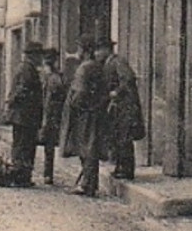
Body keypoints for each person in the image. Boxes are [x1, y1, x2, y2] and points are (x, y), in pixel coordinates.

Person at [60, 38, 110, 197]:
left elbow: (80, 92)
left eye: (80, 49)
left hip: (84, 114)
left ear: (86, 51)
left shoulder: (85, 68)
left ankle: (86, 184)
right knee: (91, 147)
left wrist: (74, 106)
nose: (78, 53)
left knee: (86, 148)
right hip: (96, 111)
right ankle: (90, 184)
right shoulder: (97, 66)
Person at [102, 43, 144, 182]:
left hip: (126, 106)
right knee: (118, 137)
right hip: (117, 107)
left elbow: (129, 78)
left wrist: (116, 92)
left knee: (125, 138)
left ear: (106, 49)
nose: (97, 54)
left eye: (99, 50)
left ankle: (127, 169)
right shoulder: (108, 63)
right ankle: (120, 167)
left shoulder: (118, 61)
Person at [5, 45, 44, 174]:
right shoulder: (27, 69)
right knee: (23, 145)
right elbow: (23, 90)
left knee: (24, 144)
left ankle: (22, 174)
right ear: (33, 56)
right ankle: (20, 175)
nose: (41, 59)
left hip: (24, 115)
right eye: (39, 56)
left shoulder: (26, 68)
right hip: (24, 115)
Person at [37, 48, 68, 185]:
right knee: (48, 146)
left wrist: (45, 119)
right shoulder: (55, 77)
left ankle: (47, 174)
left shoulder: (52, 79)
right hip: (53, 115)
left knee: (49, 145)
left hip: (51, 116)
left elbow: (49, 101)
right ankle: (47, 174)